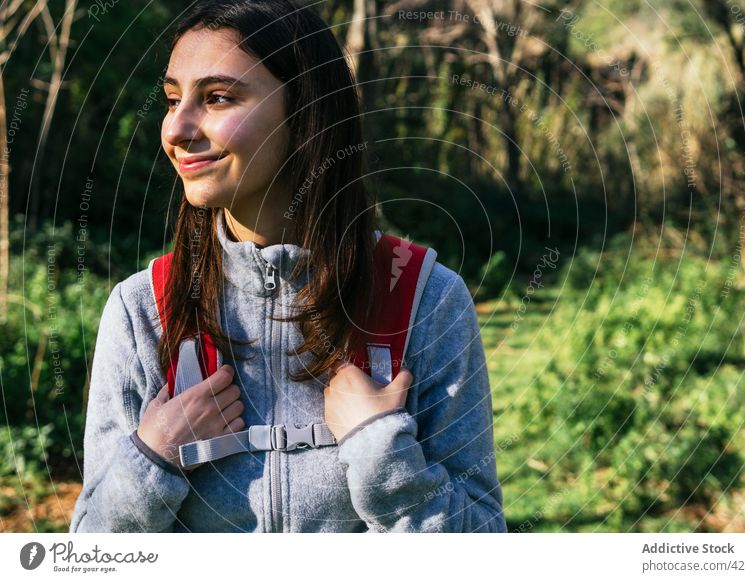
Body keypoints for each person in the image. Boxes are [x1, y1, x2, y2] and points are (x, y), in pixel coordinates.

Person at [69, 0, 506, 533]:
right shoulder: (143, 311)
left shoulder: (424, 298)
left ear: (305, 111)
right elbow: (89, 553)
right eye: (172, 99)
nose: (177, 129)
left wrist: (379, 450)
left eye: (217, 98)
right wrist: (153, 456)